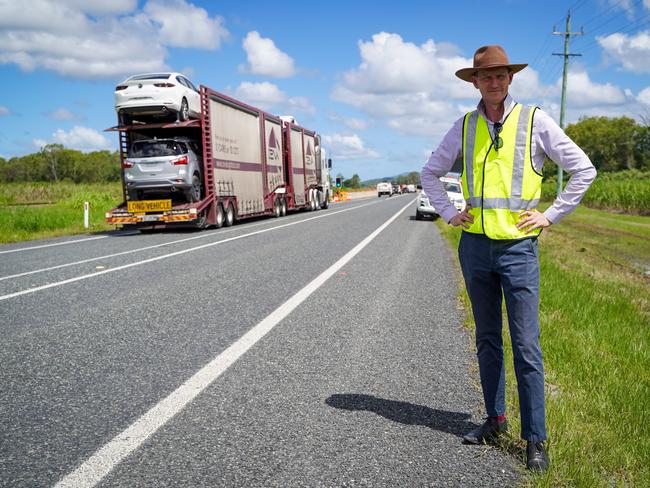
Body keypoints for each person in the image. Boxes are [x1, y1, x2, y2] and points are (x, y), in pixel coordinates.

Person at [421, 45, 596, 472]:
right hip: (476, 247)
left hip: (519, 249)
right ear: (474, 82)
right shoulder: (464, 126)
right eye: (486, 77)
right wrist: (448, 211)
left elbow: (584, 169)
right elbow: (429, 172)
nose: (494, 82)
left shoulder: (534, 121)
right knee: (487, 340)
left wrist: (550, 215)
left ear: (510, 79)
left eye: (500, 75)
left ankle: (535, 438)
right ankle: (495, 419)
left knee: (526, 345)